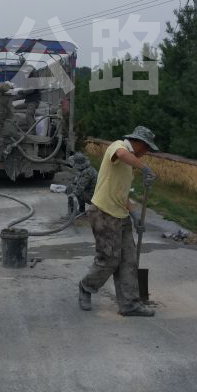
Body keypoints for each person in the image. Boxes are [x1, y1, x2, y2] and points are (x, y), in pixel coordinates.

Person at [78, 126, 158, 316]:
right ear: (138, 142)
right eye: (146, 149)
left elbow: (121, 193)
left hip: (121, 216)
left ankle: (129, 304)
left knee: (129, 260)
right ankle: (86, 287)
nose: (145, 154)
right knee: (109, 259)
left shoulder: (129, 165)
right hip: (103, 213)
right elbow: (121, 154)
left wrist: (134, 214)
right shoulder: (119, 146)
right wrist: (144, 168)